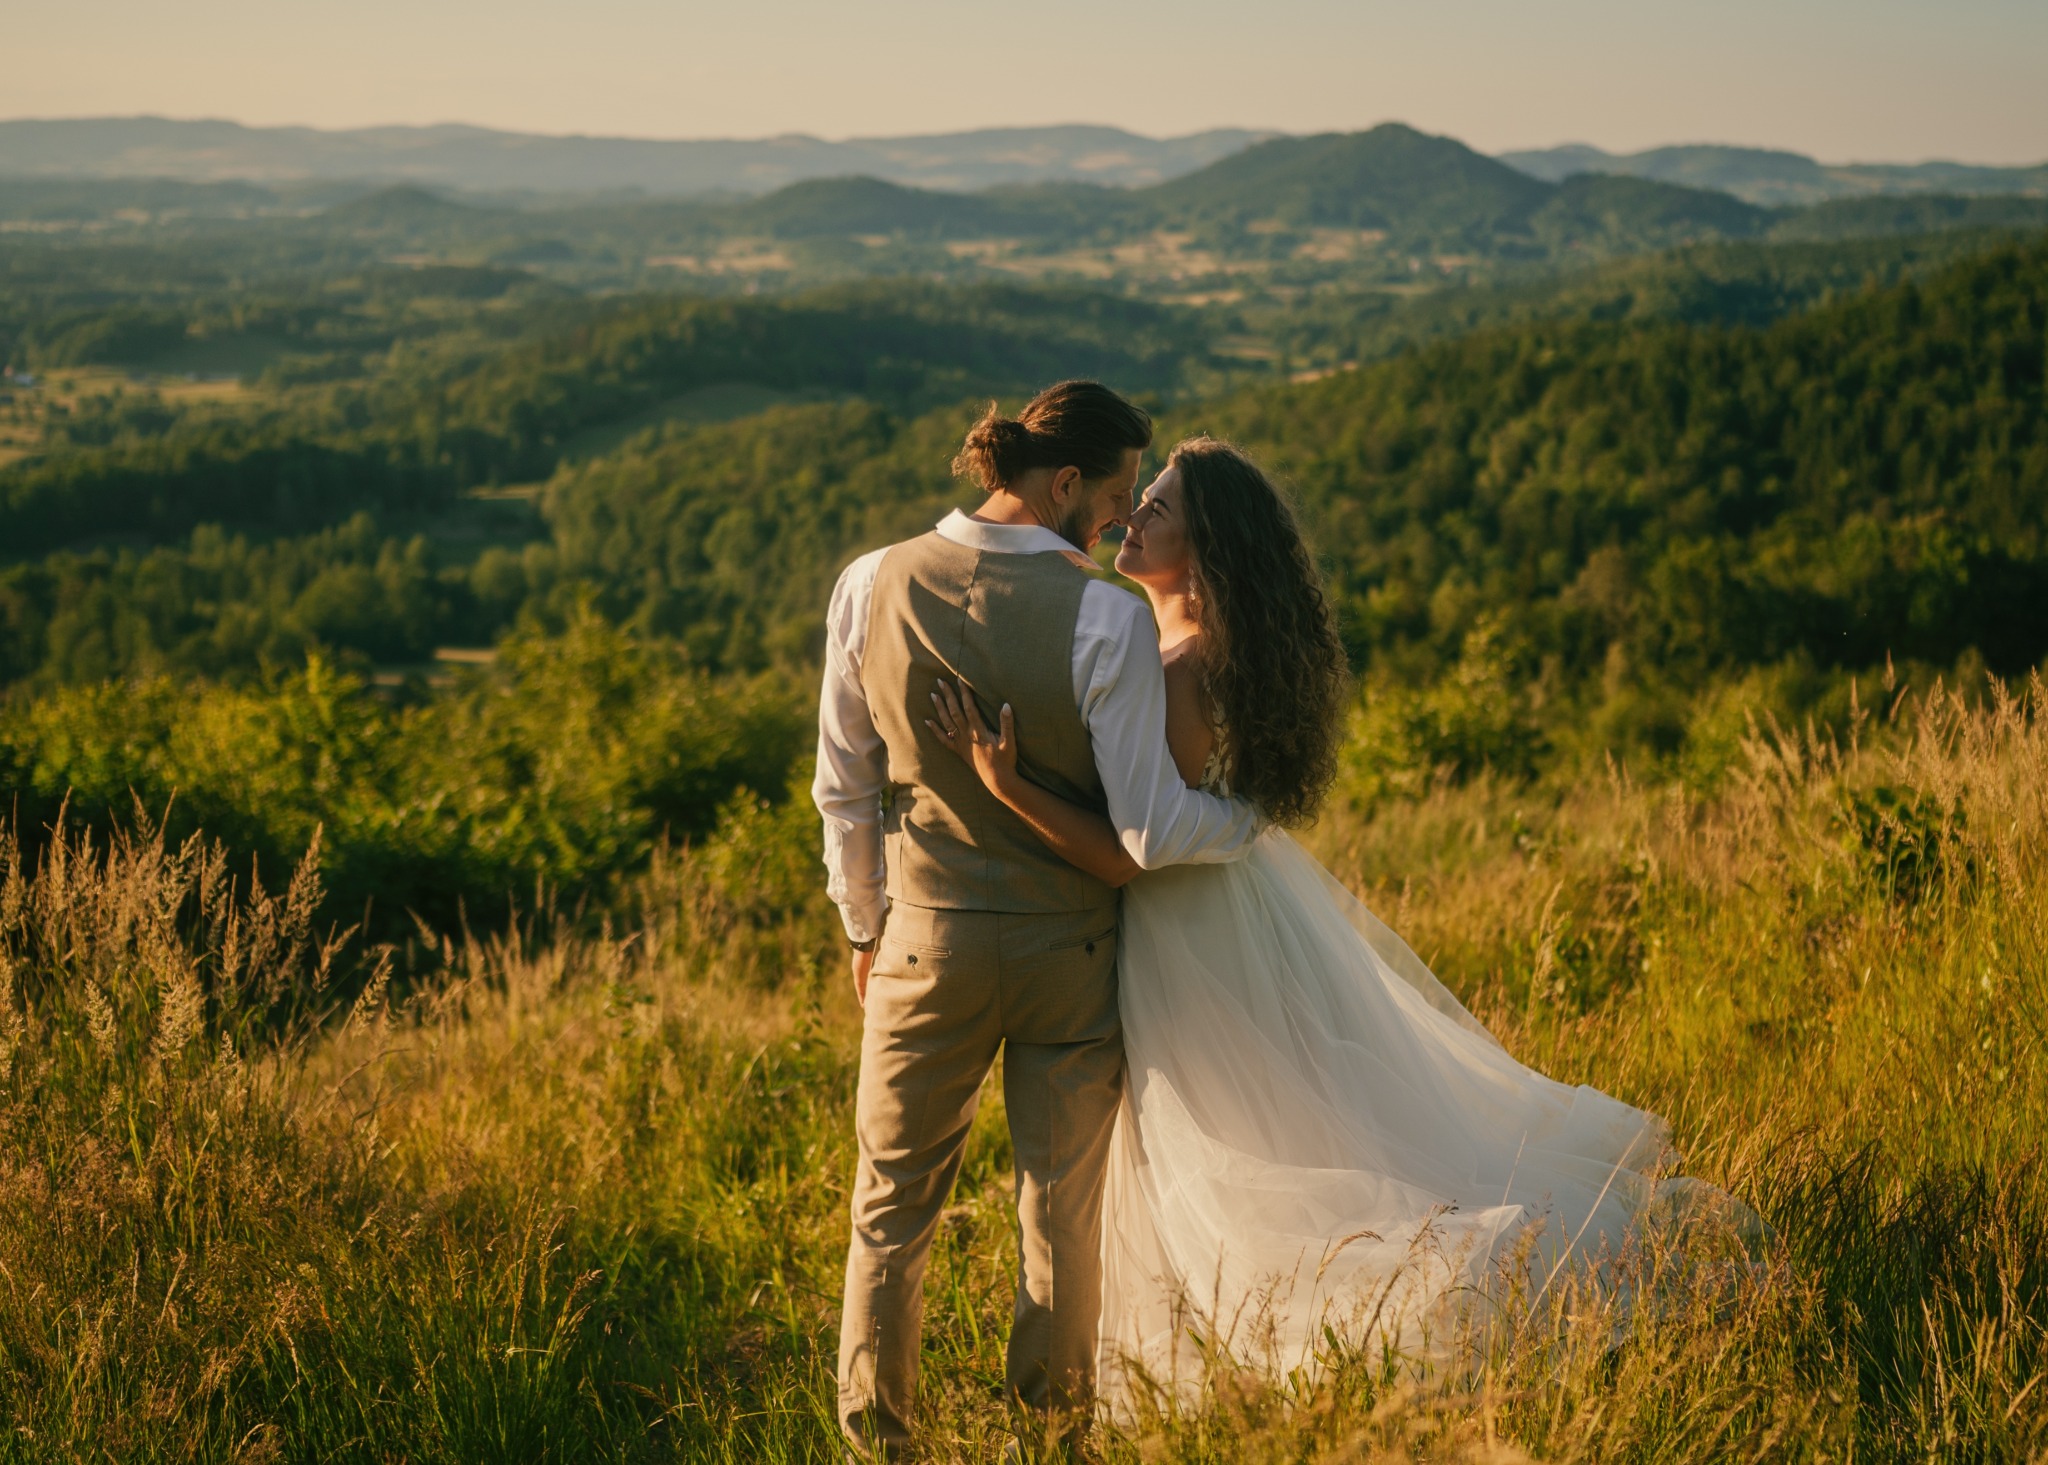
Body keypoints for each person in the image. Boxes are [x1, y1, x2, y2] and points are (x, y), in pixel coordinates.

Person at [925, 436, 1744, 1410]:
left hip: (1182, 930)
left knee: (1239, 1139)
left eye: (1159, 507)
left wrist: (1002, 785)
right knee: (1296, 1113)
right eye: (1138, 498)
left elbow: (1127, 850)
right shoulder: (1204, 652)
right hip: (1234, 903)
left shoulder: (1177, 666)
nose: (1133, 513)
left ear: (1205, 546)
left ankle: (1325, 1325)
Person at [812, 383, 1260, 1459]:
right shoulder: (1104, 616)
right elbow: (1148, 824)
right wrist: (1250, 825)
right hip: (1069, 952)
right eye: (1110, 498)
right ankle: (1050, 1446)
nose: (1115, 522)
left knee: (890, 1208)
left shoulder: (869, 583)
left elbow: (843, 789)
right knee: (1059, 1221)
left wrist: (866, 931)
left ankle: (881, 1444)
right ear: (1060, 483)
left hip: (927, 941)